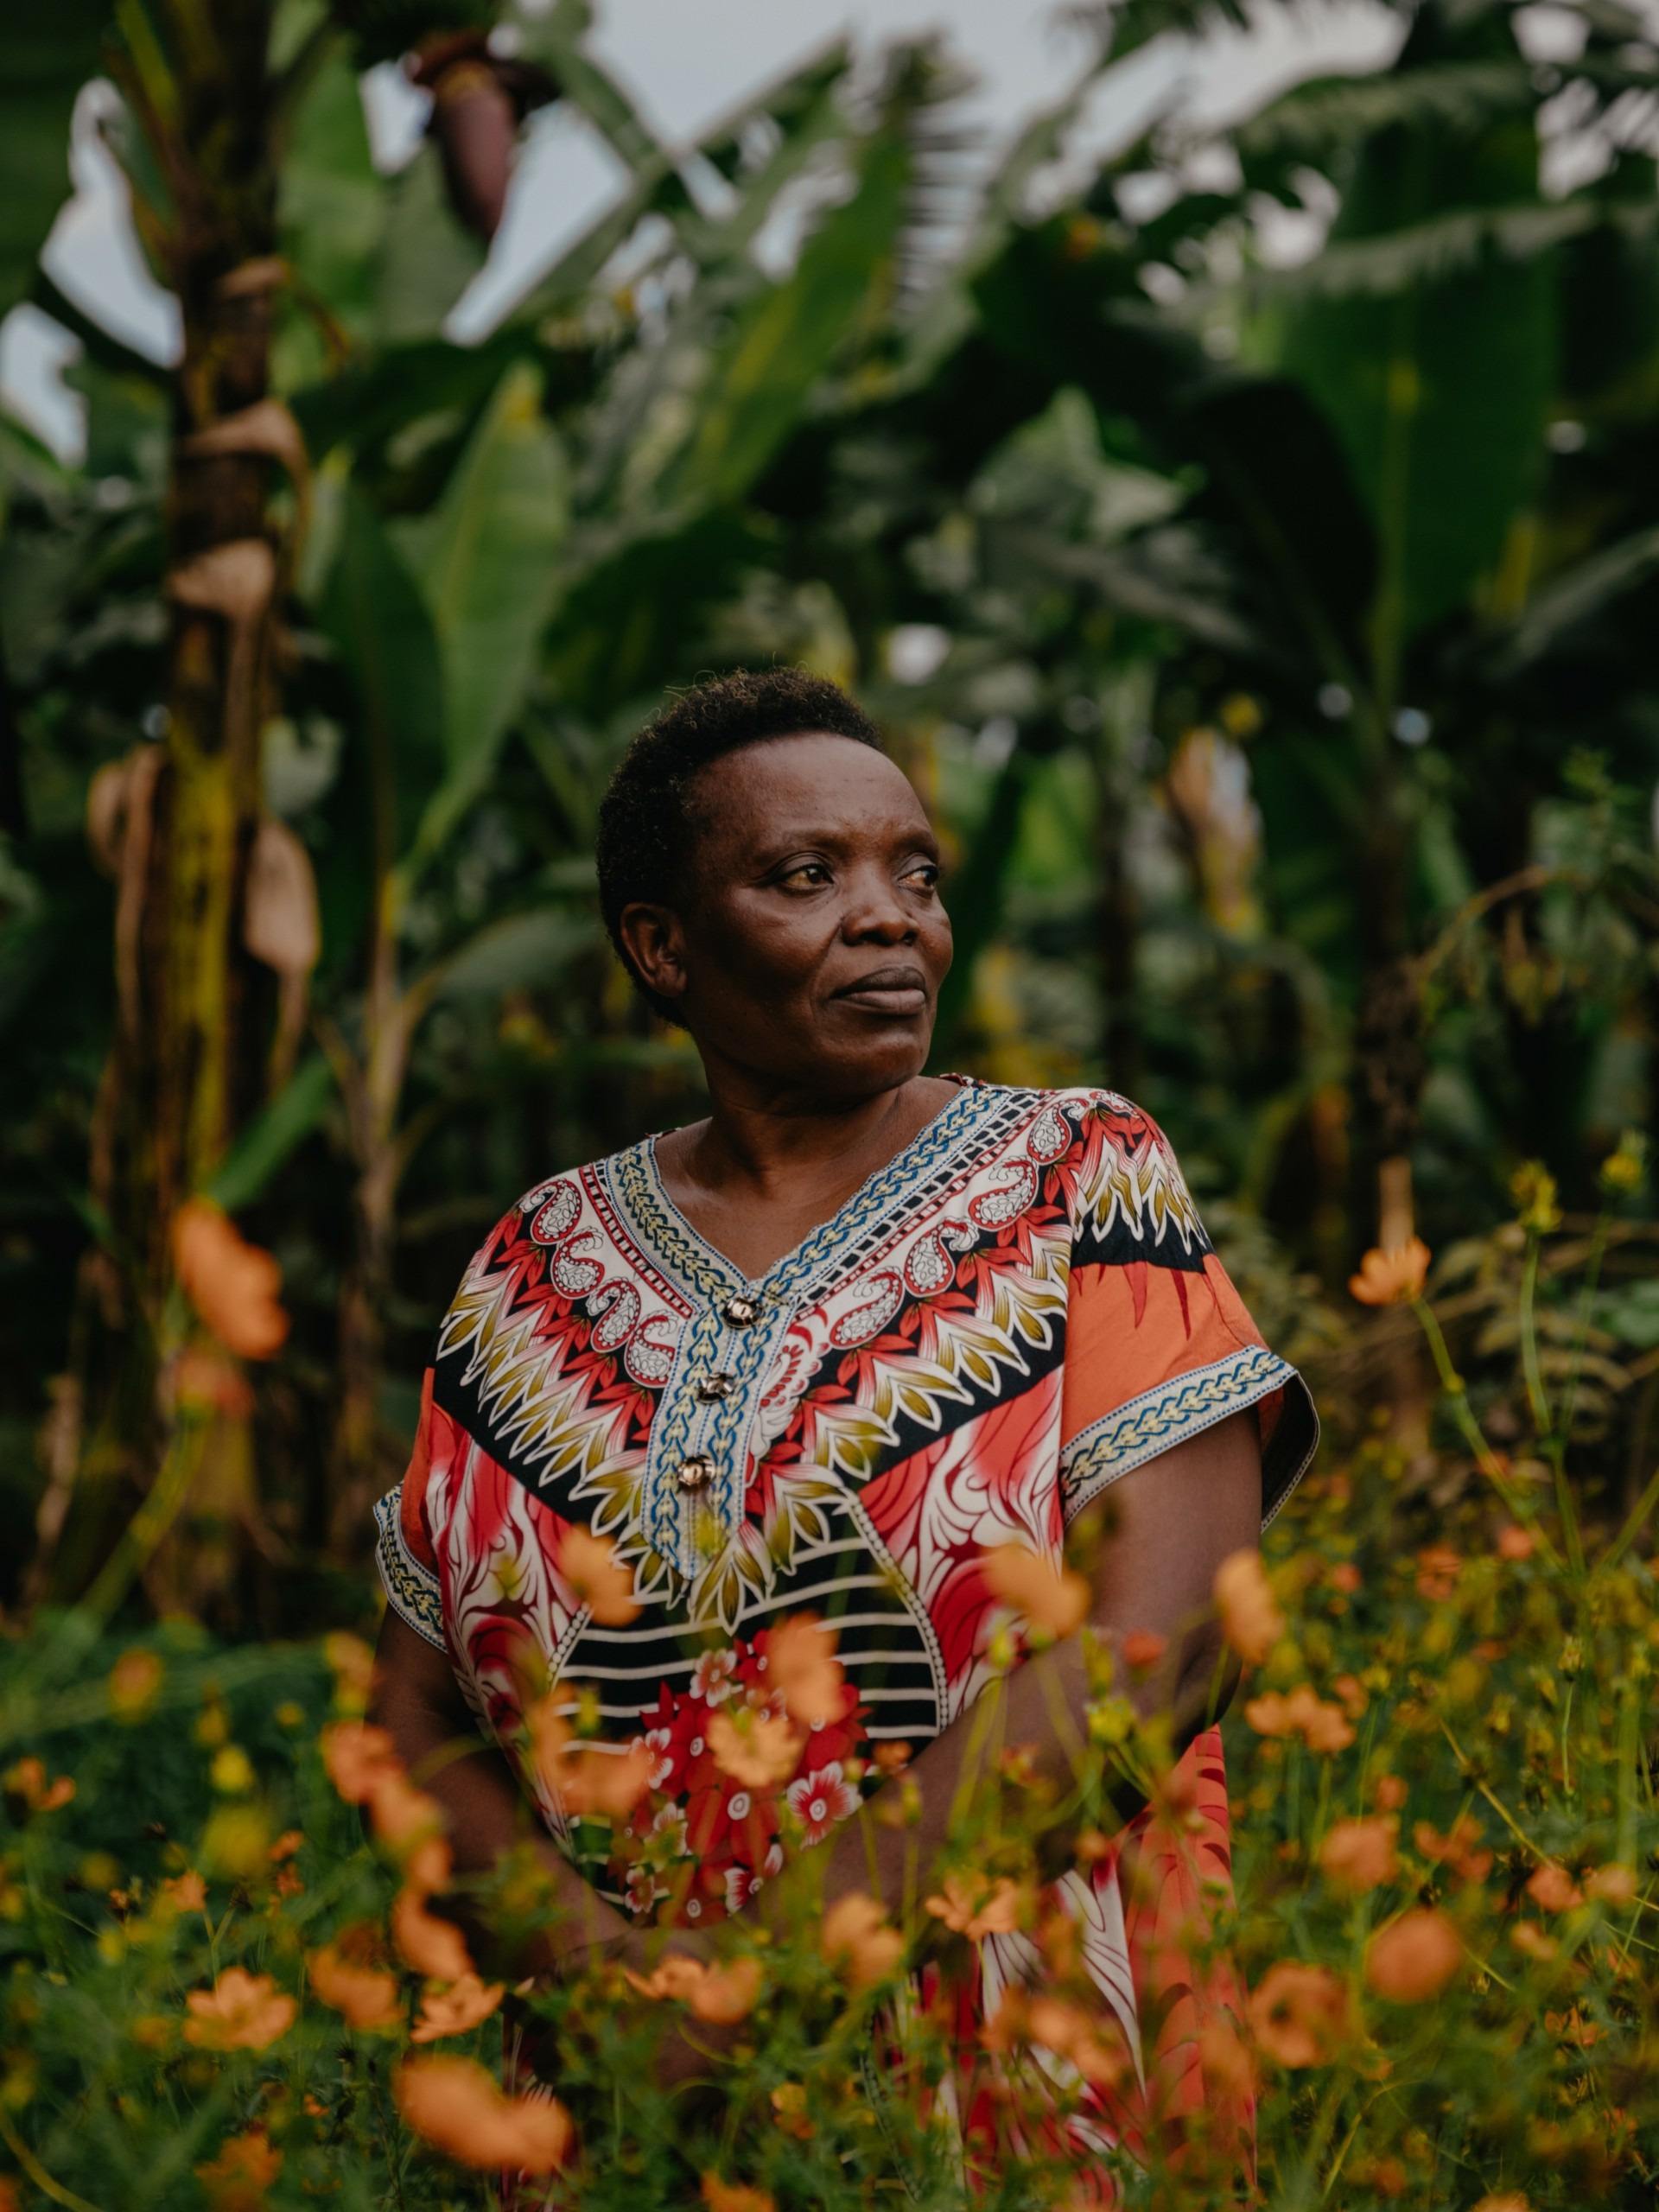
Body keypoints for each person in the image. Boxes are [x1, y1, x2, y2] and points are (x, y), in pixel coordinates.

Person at [369, 667, 1316, 2191]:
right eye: (807, 875)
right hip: (625, 2123)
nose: (893, 920)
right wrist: (611, 1989)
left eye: (916, 875)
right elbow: (415, 1715)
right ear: (663, 948)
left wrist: (753, 1991)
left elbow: (1164, 1645)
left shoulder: (1078, 1176)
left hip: (1019, 2105)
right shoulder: (529, 1266)